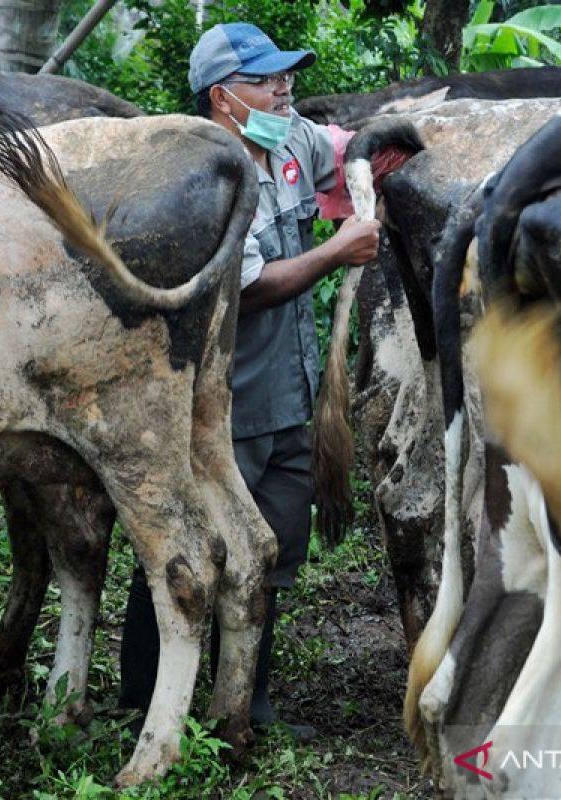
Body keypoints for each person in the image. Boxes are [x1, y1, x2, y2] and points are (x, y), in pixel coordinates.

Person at [118, 22, 381, 739]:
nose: (283, 88)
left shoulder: (289, 141)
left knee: (271, 551)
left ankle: (249, 699)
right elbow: (255, 285)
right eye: (265, 80)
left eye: (286, 74)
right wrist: (338, 250)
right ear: (223, 98)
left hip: (288, 395)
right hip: (224, 402)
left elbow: (346, 151)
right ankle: (143, 697)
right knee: (194, 545)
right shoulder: (216, 171)